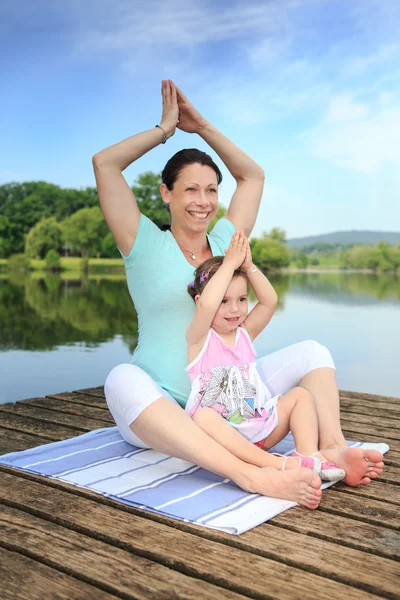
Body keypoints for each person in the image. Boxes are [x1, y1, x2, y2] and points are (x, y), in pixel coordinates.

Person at [93, 79, 383, 510]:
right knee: (120, 380)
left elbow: (252, 175)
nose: (203, 201)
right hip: (163, 409)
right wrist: (166, 129)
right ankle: (252, 474)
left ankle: (331, 448)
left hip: (229, 395)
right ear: (166, 193)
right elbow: (105, 164)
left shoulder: (228, 240)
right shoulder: (144, 242)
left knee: (313, 351)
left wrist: (202, 126)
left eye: (211, 189)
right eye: (190, 189)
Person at [185, 231, 345, 484]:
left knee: (300, 396)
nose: (235, 308)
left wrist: (247, 266)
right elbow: (207, 306)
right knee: (203, 417)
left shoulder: (244, 334)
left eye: (241, 299)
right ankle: (276, 464)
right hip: (220, 440)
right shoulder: (200, 339)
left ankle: (309, 457)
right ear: (199, 300)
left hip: (258, 430)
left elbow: (269, 301)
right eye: (224, 301)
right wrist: (229, 264)